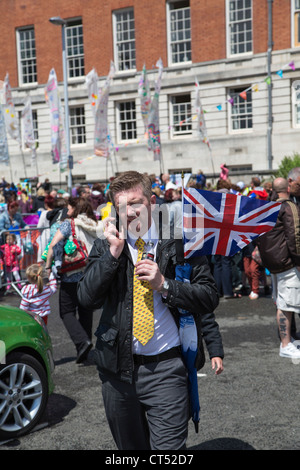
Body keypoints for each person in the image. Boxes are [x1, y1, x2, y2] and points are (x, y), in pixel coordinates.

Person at [77, 170, 224, 450]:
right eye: (121, 206)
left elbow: (208, 296)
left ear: (153, 202)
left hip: (166, 368)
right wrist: (113, 255)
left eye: (135, 203)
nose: (129, 213)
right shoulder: (106, 244)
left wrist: (165, 285)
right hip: (117, 371)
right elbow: (86, 298)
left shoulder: (181, 240)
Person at [46, 197, 103, 364]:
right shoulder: (94, 224)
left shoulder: (69, 224)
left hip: (71, 273)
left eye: (69, 208)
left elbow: (53, 244)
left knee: (66, 312)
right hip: (90, 274)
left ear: (75, 209)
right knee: (85, 310)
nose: (67, 211)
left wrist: (49, 265)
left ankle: (81, 342)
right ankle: (84, 348)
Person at [256, 177, 300, 359]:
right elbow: (295, 236)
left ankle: (287, 340)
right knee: (286, 304)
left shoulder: (268, 206)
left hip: (273, 262)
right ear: (288, 188)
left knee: (282, 302)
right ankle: (285, 344)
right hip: (287, 262)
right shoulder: (288, 206)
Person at [37, 194, 55, 263]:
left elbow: (39, 226)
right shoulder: (57, 212)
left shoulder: (44, 213)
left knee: (44, 254)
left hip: (45, 236)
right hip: (55, 234)